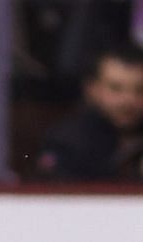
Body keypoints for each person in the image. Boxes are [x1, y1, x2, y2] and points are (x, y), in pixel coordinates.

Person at [34, 44, 143, 181]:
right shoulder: (67, 142)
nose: (129, 100)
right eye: (116, 88)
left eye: (139, 89)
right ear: (92, 89)